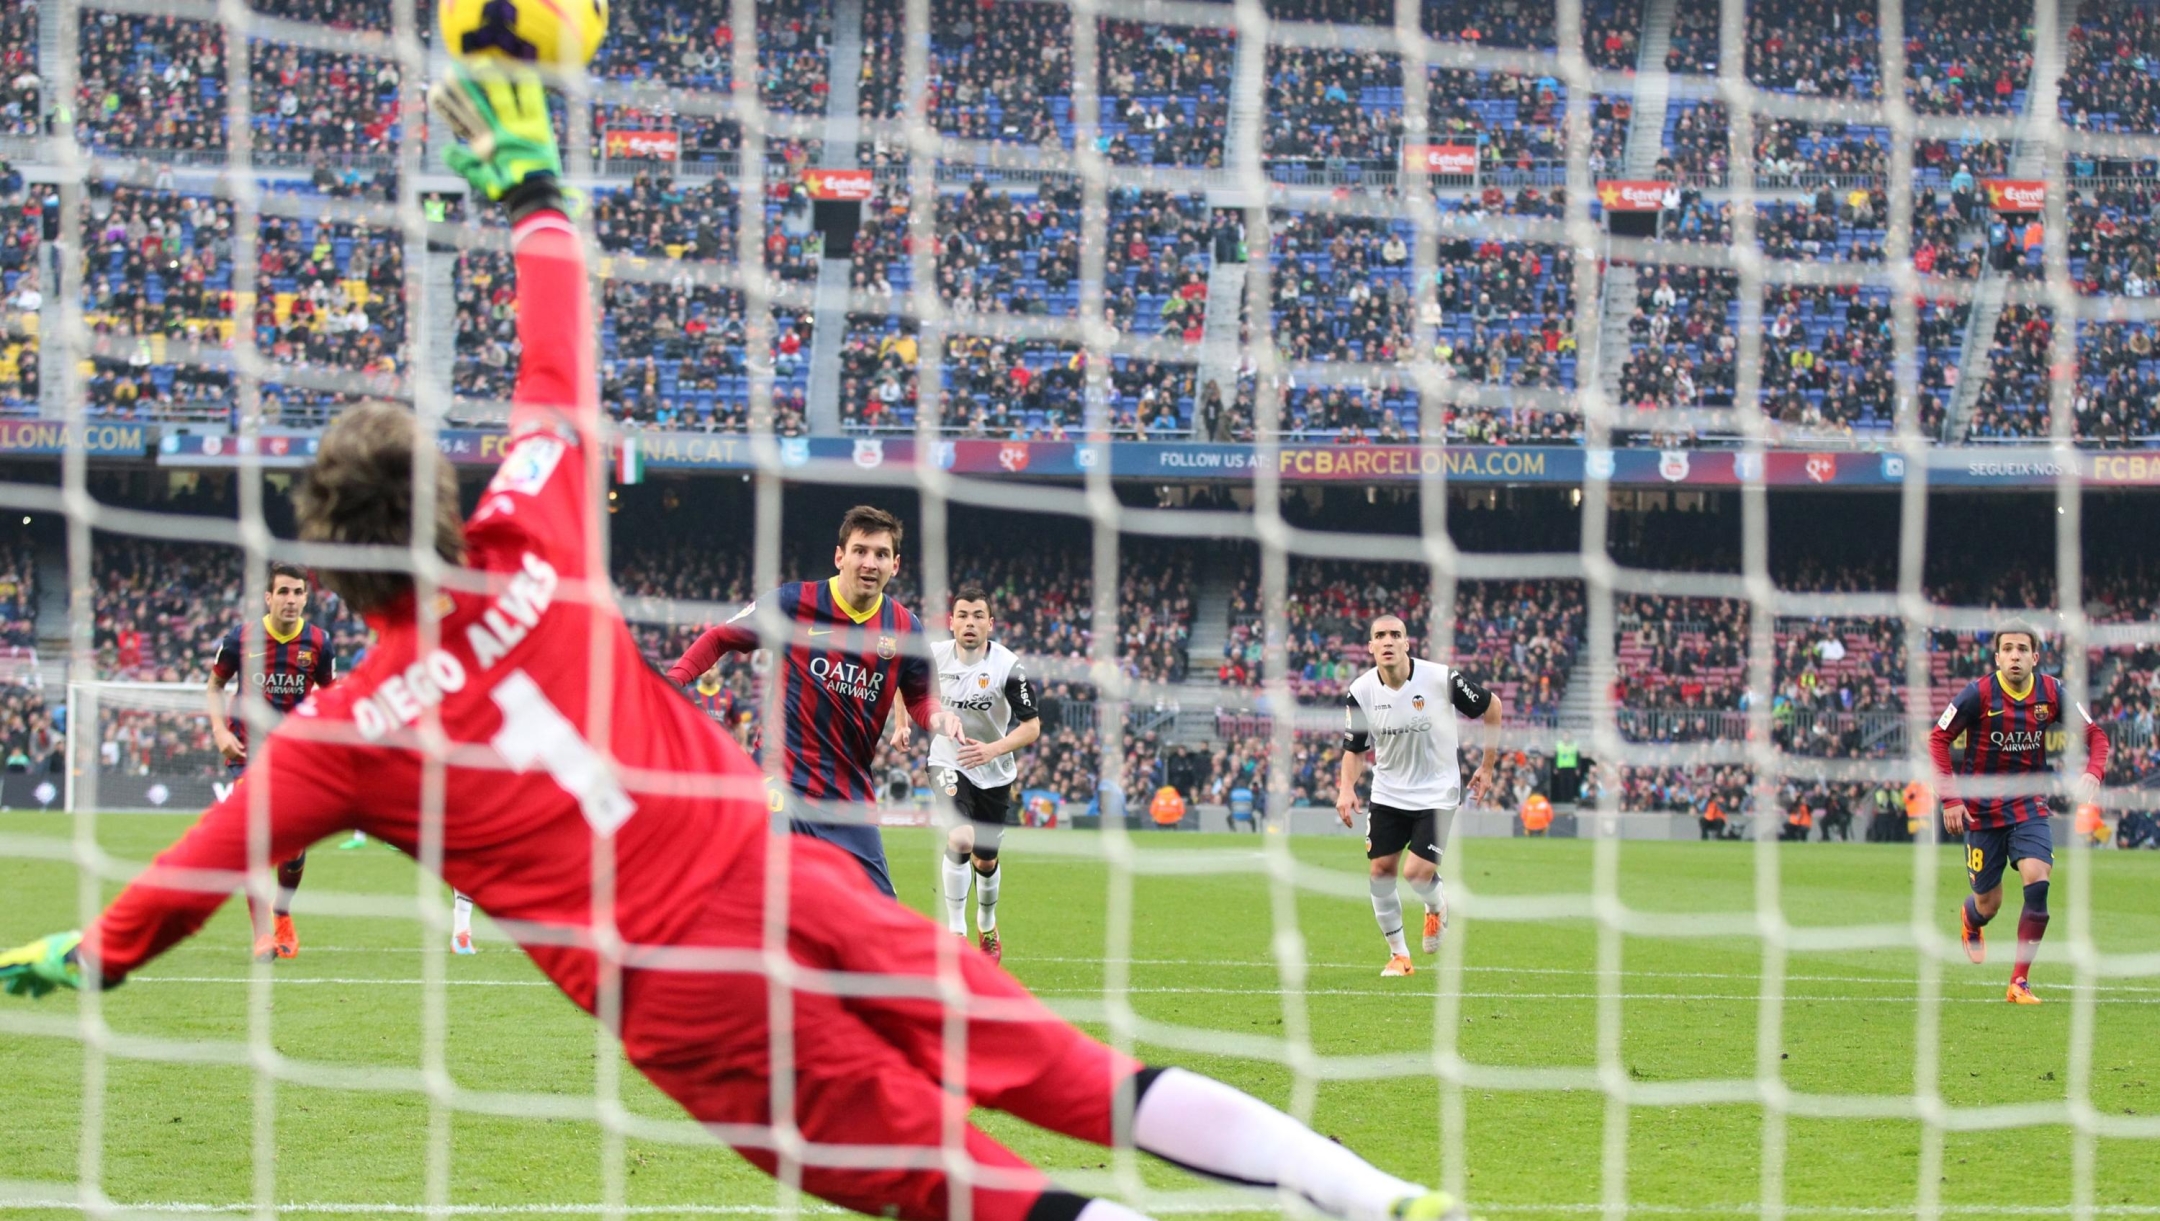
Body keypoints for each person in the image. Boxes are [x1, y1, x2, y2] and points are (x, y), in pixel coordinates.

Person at [0, 69, 1473, 1221]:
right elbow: (559, 352)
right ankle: (1363, 1188)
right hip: (786, 876)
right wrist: (530, 184)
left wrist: (81, 956)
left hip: (681, 991)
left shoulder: (344, 732)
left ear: (331, 572)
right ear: (448, 504)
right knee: (1069, 1071)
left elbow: (191, 872)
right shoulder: (532, 526)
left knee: (966, 1188)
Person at [665, 502, 965, 898]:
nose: (870, 563)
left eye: (881, 554)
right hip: (781, 777)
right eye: (860, 551)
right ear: (840, 556)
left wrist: (937, 717)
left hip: (848, 795)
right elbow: (721, 637)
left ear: (895, 565)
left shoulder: (904, 628)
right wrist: (672, 681)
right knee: (755, 892)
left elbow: (920, 696)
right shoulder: (795, 602)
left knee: (877, 912)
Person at [1928, 621, 2109, 1004]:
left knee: (2038, 880)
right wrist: (1950, 798)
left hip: (2028, 804)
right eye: (2008, 649)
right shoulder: (1977, 694)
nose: (2015, 656)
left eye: (2022, 649)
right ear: (1997, 657)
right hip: (1981, 810)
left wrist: (2094, 771)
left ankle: (2018, 981)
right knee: (1988, 903)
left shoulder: (2052, 692)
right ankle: (1971, 918)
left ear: (2035, 657)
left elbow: (2096, 735)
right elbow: (1938, 738)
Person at [1335, 614, 1502, 977]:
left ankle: (1437, 905)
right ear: (1371, 646)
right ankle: (1400, 956)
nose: (1388, 641)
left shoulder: (1441, 678)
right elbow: (1355, 748)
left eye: (1395, 634)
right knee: (1380, 872)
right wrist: (1346, 788)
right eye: (1380, 635)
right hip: (1389, 792)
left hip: (1438, 791)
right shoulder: (1361, 691)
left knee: (1415, 874)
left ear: (1407, 643)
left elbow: (1493, 707)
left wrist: (1487, 767)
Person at [205, 560, 335, 962]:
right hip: (248, 751)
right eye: (283, 592)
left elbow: (331, 695)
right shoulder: (241, 638)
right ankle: (262, 934)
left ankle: (282, 911)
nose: (290, 600)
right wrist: (220, 733)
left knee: (292, 849)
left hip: (295, 756)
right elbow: (215, 685)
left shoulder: (319, 643)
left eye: (297, 592)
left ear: (305, 598)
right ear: (268, 597)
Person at [929, 584, 1042, 963]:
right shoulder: (934, 657)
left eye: (978, 616)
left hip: (994, 770)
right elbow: (901, 683)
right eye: (962, 615)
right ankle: (956, 933)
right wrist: (901, 723)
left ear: (990, 624)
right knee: (960, 837)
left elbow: (1032, 727)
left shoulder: (1008, 667)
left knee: (985, 861)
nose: (970, 623)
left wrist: (991, 750)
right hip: (948, 760)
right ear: (951, 622)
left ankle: (987, 924)